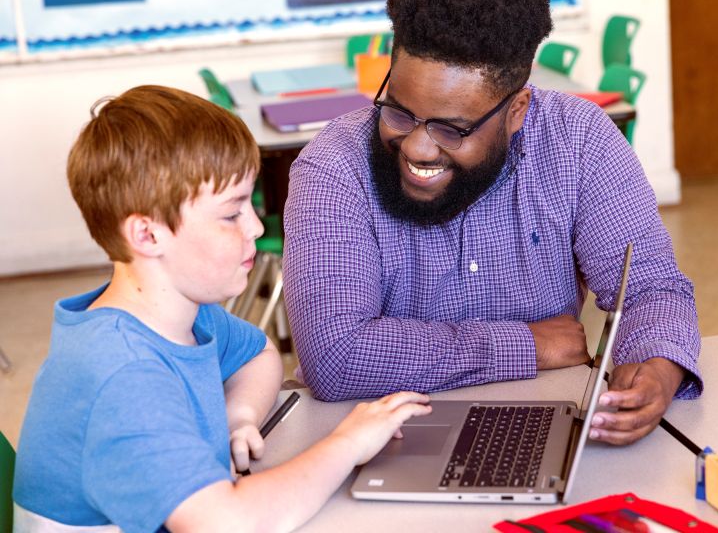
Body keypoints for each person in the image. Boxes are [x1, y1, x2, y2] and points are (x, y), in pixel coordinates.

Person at [283, 0, 702, 446]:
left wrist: (657, 367)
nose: (417, 148)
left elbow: (652, 288)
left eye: (452, 129)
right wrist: (528, 344)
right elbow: (337, 355)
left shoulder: (579, 140)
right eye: (398, 112)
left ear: (517, 111)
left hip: (539, 421)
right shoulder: (334, 166)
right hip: (368, 438)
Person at [12, 85, 431, 532]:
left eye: (250, 205)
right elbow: (225, 523)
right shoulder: (123, 373)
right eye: (232, 214)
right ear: (148, 235)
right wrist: (349, 443)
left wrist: (240, 416)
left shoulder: (184, 314)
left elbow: (258, 354)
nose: (254, 226)